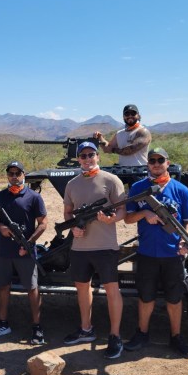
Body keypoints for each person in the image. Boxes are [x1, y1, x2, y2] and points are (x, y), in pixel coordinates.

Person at [124, 148, 188, 358]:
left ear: (168, 163)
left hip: (173, 254)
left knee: (174, 298)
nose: (156, 164)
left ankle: (176, 337)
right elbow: (128, 219)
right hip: (146, 253)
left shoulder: (180, 190)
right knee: (145, 297)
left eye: (160, 160)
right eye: (152, 160)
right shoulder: (138, 188)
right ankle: (142, 333)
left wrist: (185, 240)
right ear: (147, 164)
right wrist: (144, 213)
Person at [62, 142, 126, 359]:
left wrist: (111, 219)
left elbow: (122, 210)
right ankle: (86, 329)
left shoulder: (110, 180)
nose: (87, 159)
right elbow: (68, 212)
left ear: (98, 156)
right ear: (78, 159)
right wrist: (74, 228)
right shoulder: (72, 184)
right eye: (83, 156)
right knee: (82, 288)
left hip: (105, 247)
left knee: (111, 290)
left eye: (91, 155)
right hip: (80, 247)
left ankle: (115, 336)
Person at [0, 161, 48, 344]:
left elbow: (43, 223)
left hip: (26, 252)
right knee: (3, 287)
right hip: (4, 251)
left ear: (23, 174)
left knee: (32, 288)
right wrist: (0, 227)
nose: (14, 176)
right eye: (11, 173)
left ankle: (37, 327)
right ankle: (3, 323)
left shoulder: (34, 197)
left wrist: (28, 243)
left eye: (17, 173)